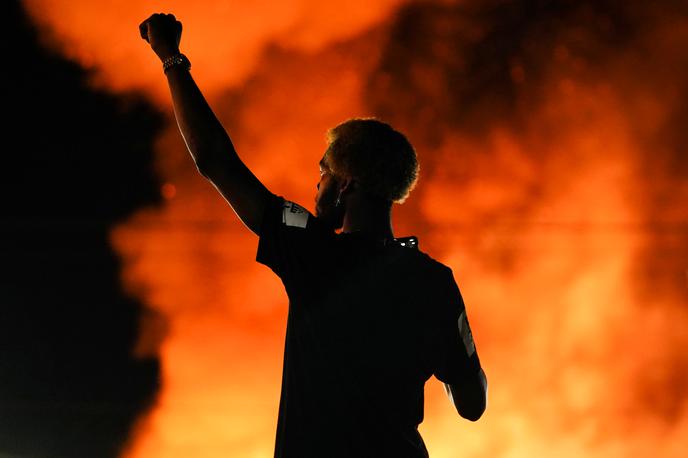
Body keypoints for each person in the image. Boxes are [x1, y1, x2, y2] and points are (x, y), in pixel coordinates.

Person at [139, 13, 487, 458]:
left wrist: (171, 58)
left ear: (347, 184)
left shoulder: (314, 250)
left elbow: (215, 161)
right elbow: (473, 403)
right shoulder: (434, 282)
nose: (316, 183)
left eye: (323, 170)